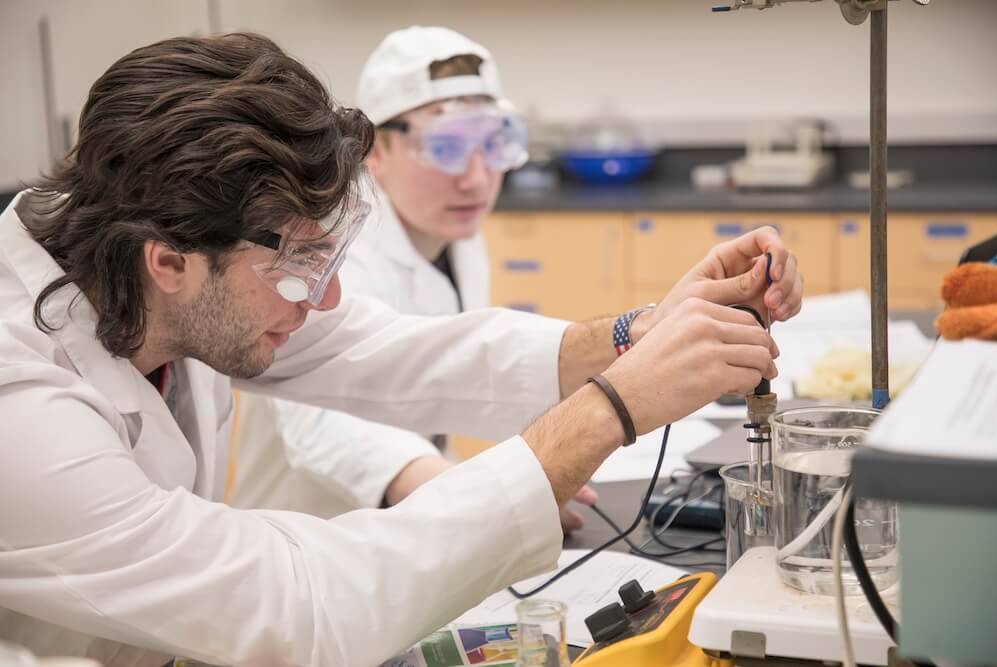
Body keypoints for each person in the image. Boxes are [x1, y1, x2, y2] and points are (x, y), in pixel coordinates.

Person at [0, 32, 803, 667]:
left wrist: (633, 334)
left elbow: (393, 350)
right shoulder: (22, 410)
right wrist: (612, 409)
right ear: (168, 263)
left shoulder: (154, 261)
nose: (328, 300)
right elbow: (304, 604)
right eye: (296, 268)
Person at [229, 26, 597, 530]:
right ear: (375, 152)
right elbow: (325, 422)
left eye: (493, 145)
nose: (475, 177)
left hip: (409, 524)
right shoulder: (327, 244)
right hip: (311, 533)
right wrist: (473, 499)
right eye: (446, 147)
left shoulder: (457, 231)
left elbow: (455, 366)